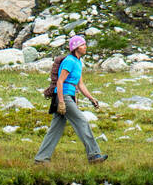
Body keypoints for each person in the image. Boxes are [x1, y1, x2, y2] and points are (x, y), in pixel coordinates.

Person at [35, 35, 107, 165]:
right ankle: (94, 156)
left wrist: (91, 98)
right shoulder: (69, 61)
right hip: (64, 97)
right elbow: (60, 82)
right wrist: (61, 102)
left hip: (68, 96)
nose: (85, 47)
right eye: (82, 45)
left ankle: (41, 159)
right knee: (82, 122)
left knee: (55, 129)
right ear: (75, 48)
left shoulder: (78, 62)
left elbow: (80, 85)